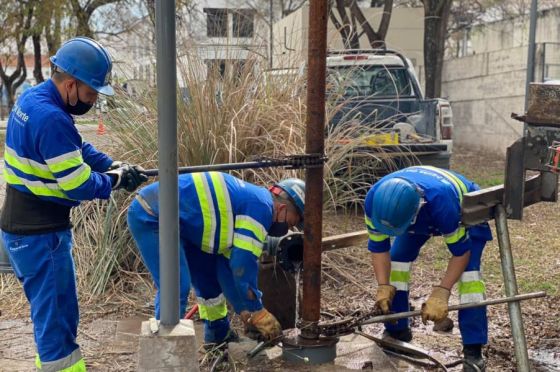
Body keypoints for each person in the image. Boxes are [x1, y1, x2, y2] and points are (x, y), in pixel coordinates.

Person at [1, 37, 147, 371]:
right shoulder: (51, 119)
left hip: (24, 227)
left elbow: (77, 148)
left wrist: (116, 164)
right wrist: (115, 181)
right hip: (41, 234)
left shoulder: (33, 99)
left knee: (51, 316)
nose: (93, 101)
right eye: (91, 94)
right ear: (71, 85)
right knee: (57, 321)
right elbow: (79, 184)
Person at [127, 172, 305, 345]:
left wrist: (245, 310)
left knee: (208, 279)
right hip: (153, 215)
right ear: (282, 208)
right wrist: (257, 311)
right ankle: (164, 354)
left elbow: (226, 269)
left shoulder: (252, 201)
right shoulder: (262, 208)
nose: (288, 227)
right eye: (290, 222)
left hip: (185, 225)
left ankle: (218, 336)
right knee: (175, 286)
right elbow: (242, 265)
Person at [364, 165, 493, 372]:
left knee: (470, 277)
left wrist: (442, 292)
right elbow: (379, 247)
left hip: (466, 208)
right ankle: (397, 331)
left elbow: (461, 253)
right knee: (397, 261)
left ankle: (473, 350)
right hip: (415, 208)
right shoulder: (374, 200)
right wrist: (383, 285)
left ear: (416, 210)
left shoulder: (443, 204)